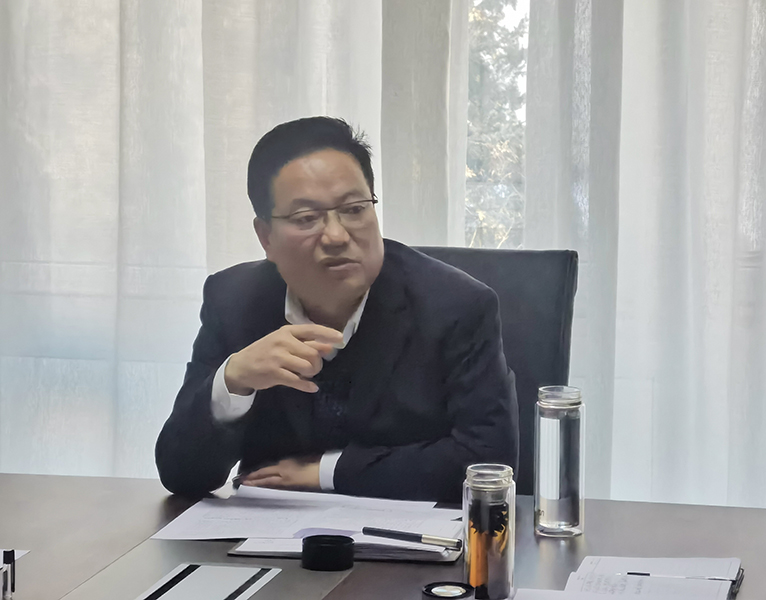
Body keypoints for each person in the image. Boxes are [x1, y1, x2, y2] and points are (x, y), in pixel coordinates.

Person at [155, 117, 518, 502]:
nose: (336, 235)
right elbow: (181, 474)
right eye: (306, 219)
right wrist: (234, 380)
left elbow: (489, 462)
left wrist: (328, 472)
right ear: (266, 237)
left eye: (354, 209)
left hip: (411, 534)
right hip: (269, 531)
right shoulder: (234, 301)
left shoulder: (456, 307)